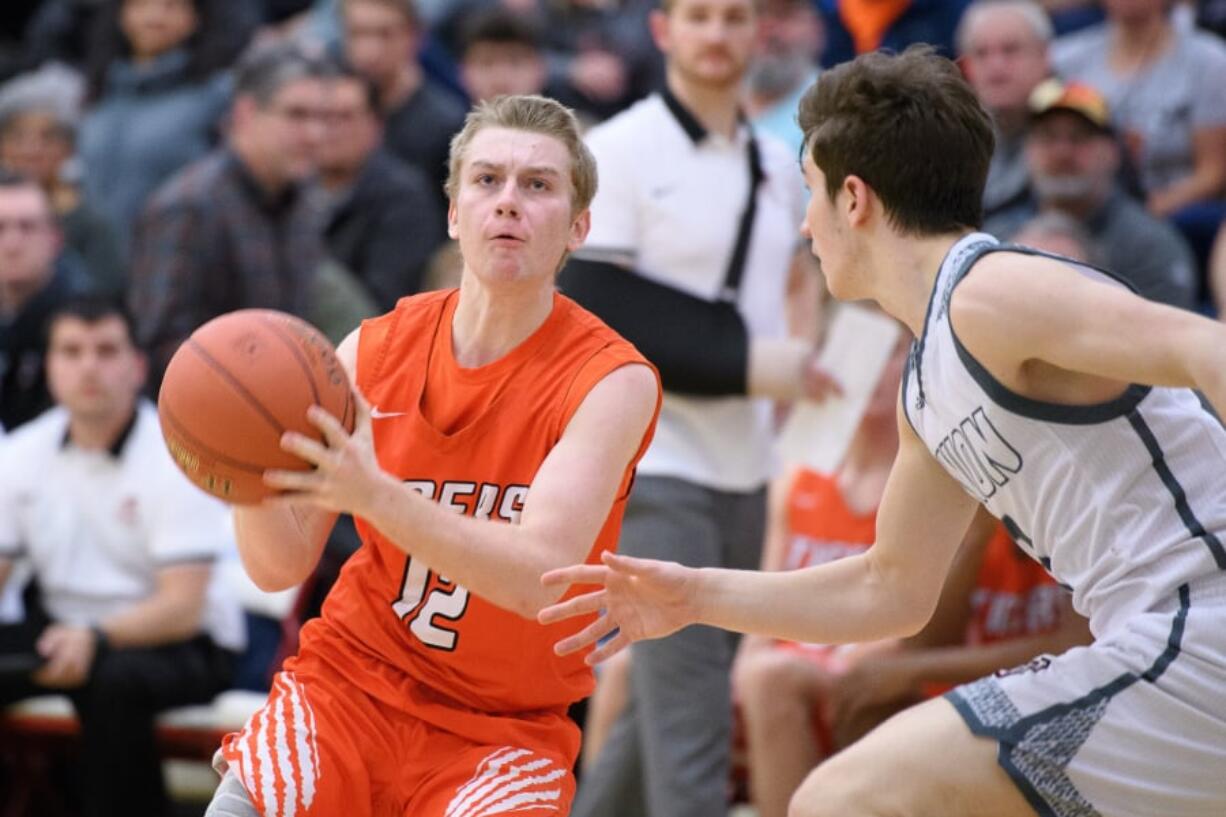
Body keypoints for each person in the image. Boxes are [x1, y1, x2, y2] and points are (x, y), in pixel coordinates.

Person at [541, 46, 1226, 817]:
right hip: (1156, 649)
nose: (805, 223)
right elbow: (890, 589)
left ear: (855, 198)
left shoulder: (993, 292)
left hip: (1196, 631)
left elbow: (1206, 346)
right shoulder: (929, 377)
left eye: (811, 193)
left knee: (844, 798)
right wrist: (696, 594)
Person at [201, 94, 661, 817]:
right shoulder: (370, 351)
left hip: (503, 729)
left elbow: (540, 579)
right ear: (453, 213)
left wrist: (378, 495)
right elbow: (279, 565)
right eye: (486, 180)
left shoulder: (611, 379)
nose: (508, 202)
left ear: (578, 227)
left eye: (537, 185)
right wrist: (246, 468)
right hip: (348, 688)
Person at [0, 295, 243, 817]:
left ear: (137, 367)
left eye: (106, 350)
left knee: (112, 683)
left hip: (185, 642)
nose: (89, 366)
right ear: (49, 368)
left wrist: (96, 638)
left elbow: (182, 607)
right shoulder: (21, 454)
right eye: (71, 351)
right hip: (65, 631)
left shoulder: (179, 455)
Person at [127, 41, 331, 389]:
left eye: (321, 118)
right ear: (246, 113)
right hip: (204, 421)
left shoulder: (302, 203)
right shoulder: (189, 206)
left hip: (280, 411)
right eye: (297, 115)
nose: (314, 134)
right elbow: (160, 343)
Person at [985, 78, 1198, 310]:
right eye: (1048, 137)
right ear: (1027, 150)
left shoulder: (1150, 247)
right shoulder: (996, 236)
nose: (1062, 152)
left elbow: (1165, 337)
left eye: (1079, 137)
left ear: (1113, 152)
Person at [78, 0, 240, 247]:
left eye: (171, 6)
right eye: (141, 4)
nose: (155, 17)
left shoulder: (216, 93)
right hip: (100, 265)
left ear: (196, 18)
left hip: (175, 257)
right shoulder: (99, 93)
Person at [315, 61, 445, 310]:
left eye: (345, 117)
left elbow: (388, 302)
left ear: (375, 126)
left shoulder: (405, 199)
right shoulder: (291, 189)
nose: (328, 130)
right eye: (321, 117)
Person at [0, 65, 126, 295]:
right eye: (17, 137)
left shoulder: (93, 224)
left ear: (69, 147)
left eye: (48, 138)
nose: (31, 150)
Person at [340, 0, 466, 212]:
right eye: (358, 33)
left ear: (415, 37)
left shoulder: (446, 124)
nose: (371, 49)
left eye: (385, 34)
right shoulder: (328, 115)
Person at [0, 170, 94, 431]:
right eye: (1, 228)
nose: (12, 243)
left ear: (54, 237)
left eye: (27, 226)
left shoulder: (85, 321)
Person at [956, 0, 1052, 220]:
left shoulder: (1080, 127)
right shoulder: (952, 138)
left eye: (1011, 50)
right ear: (966, 67)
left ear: (1044, 55)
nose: (996, 66)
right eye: (981, 54)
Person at [745, 0, 824, 157]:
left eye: (783, 15)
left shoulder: (836, 113)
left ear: (817, 28)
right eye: (757, 13)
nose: (769, 29)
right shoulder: (705, 98)